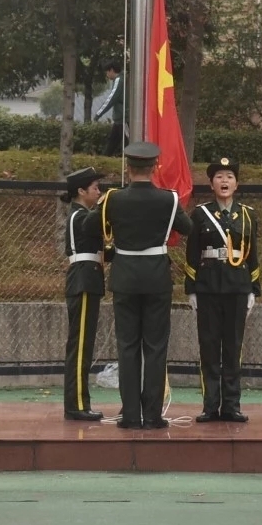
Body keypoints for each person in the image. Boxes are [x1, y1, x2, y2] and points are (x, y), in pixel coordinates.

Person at [82, 142, 192, 429]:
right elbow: (188, 228)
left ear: (128, 169)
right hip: (156, 277)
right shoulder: (168, 199)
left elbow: (88, 227)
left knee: (127, 346)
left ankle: (130, 414)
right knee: (155, 347)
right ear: (155, 167)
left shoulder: (113, 200)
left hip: (125, 277)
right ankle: (153, 415)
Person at [185, 157, 261, 423]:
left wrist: (253, 289)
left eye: (229, 176)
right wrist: (191, 289)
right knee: (208, 346)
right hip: (208, 287)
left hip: (237, 287)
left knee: (233, 347)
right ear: (211, 183)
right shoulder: (200, 214)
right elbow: (192, 253)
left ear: (236, 183)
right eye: (219, 177)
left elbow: (253, 255)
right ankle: (210, 406)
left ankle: (232, 405)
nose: (224, 181)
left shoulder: (248, 215)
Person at [61, 167, 108, 421]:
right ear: (81, 191)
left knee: (83, 345)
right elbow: (98, 221)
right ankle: (77, 405)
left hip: (87, 278)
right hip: (84, 279)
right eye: (95, 188)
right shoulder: (80, 216)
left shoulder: (81, 216)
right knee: (80, 347)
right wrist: (108, 203)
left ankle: (79, 403)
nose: (99, 193)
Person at [94, 64, 124, 156]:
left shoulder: (119, 80)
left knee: (123, 144)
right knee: (111, 143)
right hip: (120, 119)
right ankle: (104, 161)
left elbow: (111, 99)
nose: (107, 74)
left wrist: (98, 114)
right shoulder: (122, 79)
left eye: (107, 72)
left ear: (111, 70)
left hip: (124, 119)